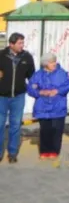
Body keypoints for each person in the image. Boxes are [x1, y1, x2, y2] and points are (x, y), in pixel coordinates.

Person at [27, 53, 69, 159]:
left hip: (58, 106)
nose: (54, 63)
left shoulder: (62, 73)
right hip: (42, 106)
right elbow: (31, 88)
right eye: (51, 62)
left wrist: (57, 91)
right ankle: (44, 151)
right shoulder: (38, 74)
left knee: (56, 130)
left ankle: (54, 151)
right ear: (45, 64)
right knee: (45, 130)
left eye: (54, 61)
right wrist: (40, 92)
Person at [0, 33, 35, 163]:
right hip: (1, 97)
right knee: (0, 125)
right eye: (20, 43)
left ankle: (12, 153)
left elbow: (32, 76)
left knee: (15, 126)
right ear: (11, 44)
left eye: (22, 42)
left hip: (18, 97)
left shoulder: (27, 57)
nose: (22, 45)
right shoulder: (1, 55)